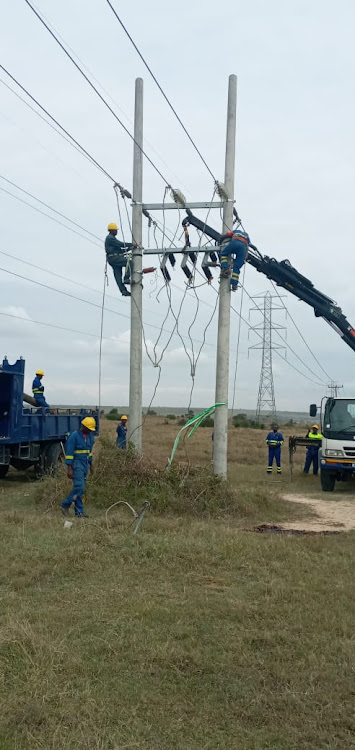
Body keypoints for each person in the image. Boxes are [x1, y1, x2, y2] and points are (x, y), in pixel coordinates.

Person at [61, 417, 96, 518]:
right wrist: (69, 469)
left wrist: (91, 465)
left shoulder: (89, 437)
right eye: (89, 428)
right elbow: (69, 454)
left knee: (81, 489)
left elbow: (89, 453)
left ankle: (79, 512)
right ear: (84, 426)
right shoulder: (74, 436)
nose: (90, 431)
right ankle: (65, 504)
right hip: (76, 465)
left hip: (85, 464)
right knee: (79, 487)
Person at [105, 222, 135, 297]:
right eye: (115, 230)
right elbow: (120, 244)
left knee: (118, 275)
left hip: (113, 258)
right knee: (130, 263)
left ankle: (123, 290)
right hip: (114, 258)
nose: (116, 231)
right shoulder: (110, 238)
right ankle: (126, 278)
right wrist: (131, 244)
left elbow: (120, 250)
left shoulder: (112, 239)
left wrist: (128, 249)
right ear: (112, 230)